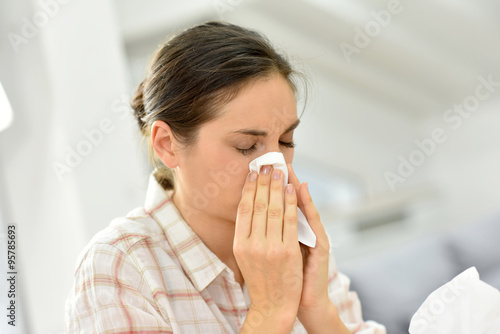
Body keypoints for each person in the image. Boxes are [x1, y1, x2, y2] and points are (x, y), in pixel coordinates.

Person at [65, 21, 386, 333]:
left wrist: (319, 311)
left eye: (286, 142)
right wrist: (270, 311)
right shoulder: (121, 266)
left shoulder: (297, 247)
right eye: (246, 146)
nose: (276, 168)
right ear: (167, 145)